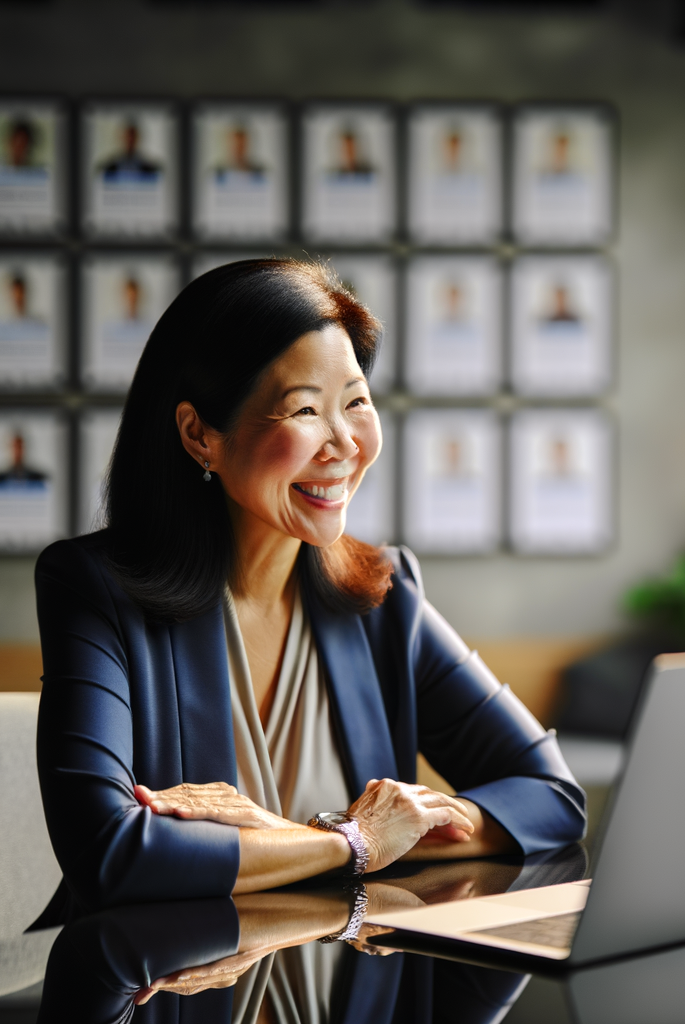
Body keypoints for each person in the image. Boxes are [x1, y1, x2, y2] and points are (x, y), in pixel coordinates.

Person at [34, 258, 585, 921]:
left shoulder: (386, 596)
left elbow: (552, 797)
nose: (345, 442)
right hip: (166, 984)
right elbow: (110, 852)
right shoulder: (94, 591)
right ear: (199, 434)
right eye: (304, 410)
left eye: (356, 401)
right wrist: (354, 839)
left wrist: (321, 840)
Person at [100, 118, 161, 182]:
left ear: (137, 139)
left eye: (132, 137)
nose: (130, 141)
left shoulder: (150, 169)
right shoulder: (109, 168)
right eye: (127, 137)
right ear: (122, 138)